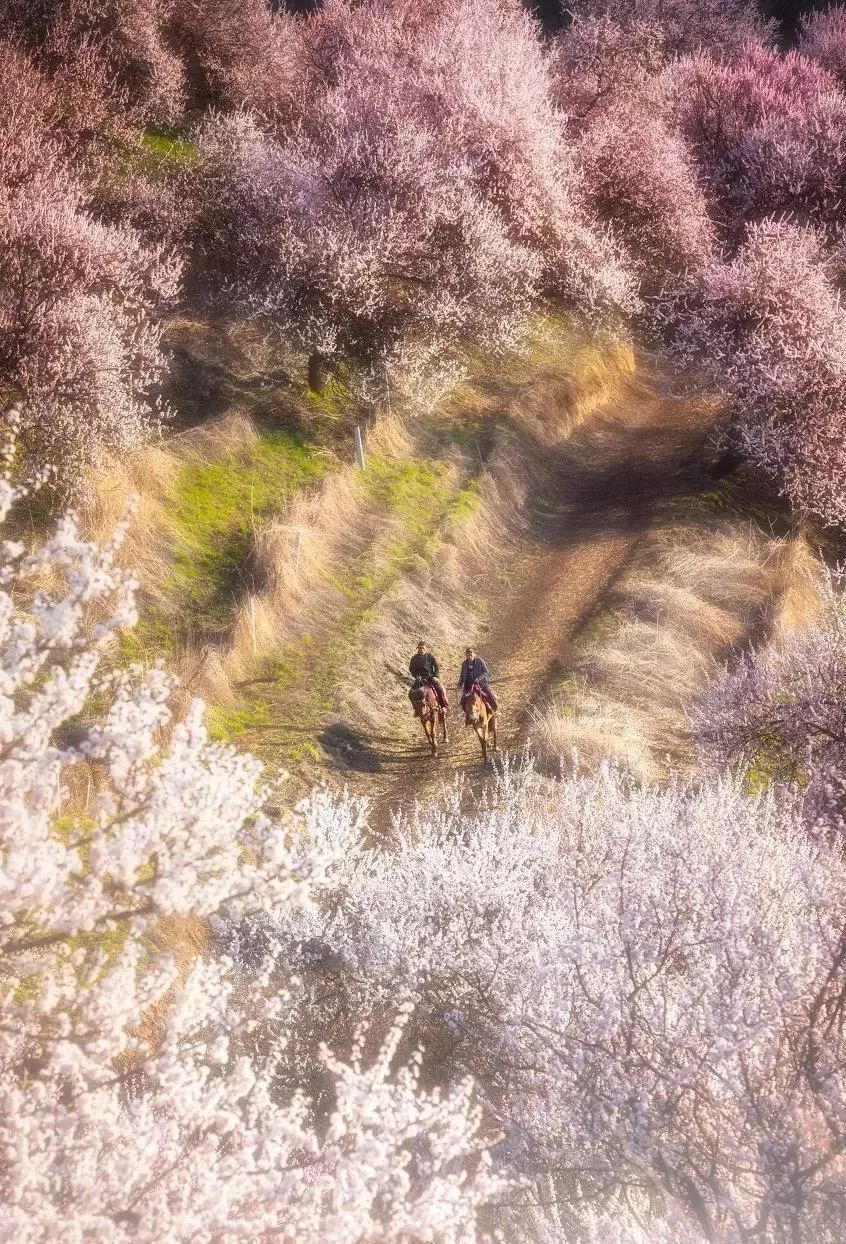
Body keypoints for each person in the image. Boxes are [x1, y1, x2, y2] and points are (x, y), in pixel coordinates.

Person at [408, 640, 449, 709]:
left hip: (430, 677)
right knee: (411, 693)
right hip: (419, 679)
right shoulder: (414, 658)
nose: (421, 650)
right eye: (419, 648)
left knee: (440, 689)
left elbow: (436, 666)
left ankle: (443, 705)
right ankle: (416, 709)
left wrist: (436, 676)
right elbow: (411, 669)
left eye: (422, 648)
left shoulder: (430, 656)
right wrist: (416, 676)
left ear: (425, 649)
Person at [457, 646, 498, 713]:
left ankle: (493, 710)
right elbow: (462, 675)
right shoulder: (464, 664)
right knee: (463, 701)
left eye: (471, 655)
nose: (469, 657)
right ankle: (469, 714)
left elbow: (486, 672)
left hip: (481, 684)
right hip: (469, 686)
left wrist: (478, 679)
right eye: (467, 655)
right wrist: (460, 684)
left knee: (490, 695)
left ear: (474, 654)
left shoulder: (480, 661)